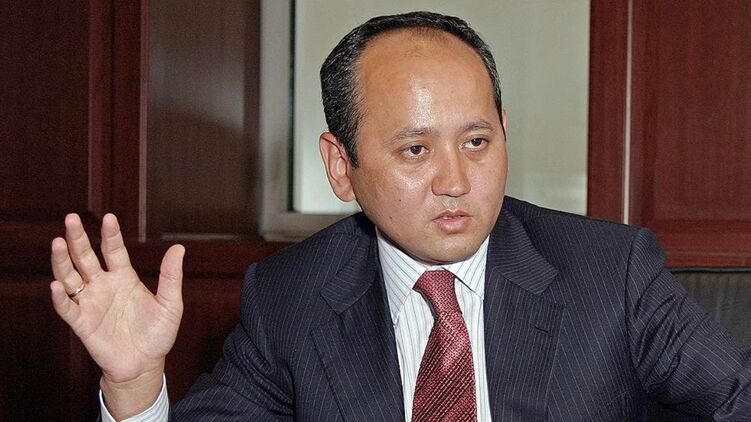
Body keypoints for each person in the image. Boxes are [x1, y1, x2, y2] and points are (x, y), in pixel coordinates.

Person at [51, 11, 751, 421]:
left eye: (477, 142)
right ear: (340, 167)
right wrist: (135, 385)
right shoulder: (290, 297)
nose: (456, 181)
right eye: (415, 150)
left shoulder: (610, 273)